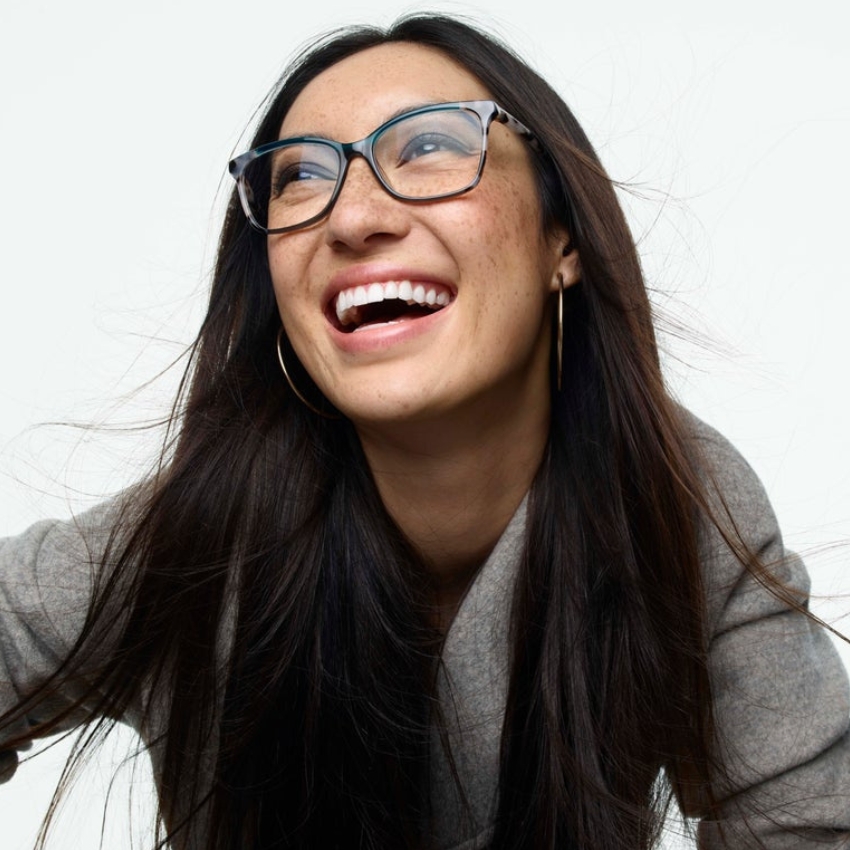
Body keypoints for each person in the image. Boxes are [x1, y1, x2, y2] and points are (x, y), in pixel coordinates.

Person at [1, 12, 849, 850]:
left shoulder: (676, 496)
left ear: (563, 237)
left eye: (431, 145)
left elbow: (813, 824)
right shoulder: (199, 537)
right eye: (299, 175)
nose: (352, 216)